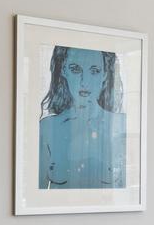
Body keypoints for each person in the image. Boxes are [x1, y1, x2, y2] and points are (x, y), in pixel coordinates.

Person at [37, 46, 125, 189]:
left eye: (94, 71)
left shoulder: (119, 125)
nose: (84, 82)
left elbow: (127, 194)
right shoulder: (47, 127)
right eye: (75, 69)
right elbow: (36, 196)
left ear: (104, 74)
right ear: (64, 71)